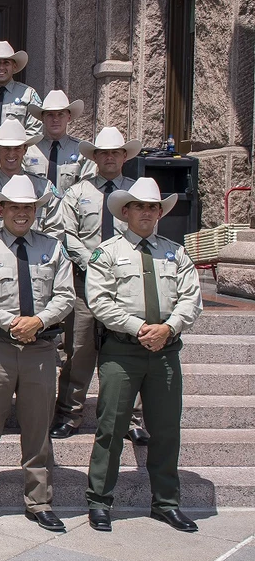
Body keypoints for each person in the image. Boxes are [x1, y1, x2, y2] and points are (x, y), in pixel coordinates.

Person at [85, 177, 203, 533]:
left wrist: (169, 328)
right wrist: (139, 328)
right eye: (141, 206)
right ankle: (100, 502)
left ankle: (166, 503)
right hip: (122, 353)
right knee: (111, 428)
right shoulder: (107, 253)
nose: (148, 212)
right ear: (126, 211)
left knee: (166, 431)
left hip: (165, 352)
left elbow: (191, 297)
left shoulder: (175, 252)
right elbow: (100, 301)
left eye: (154, 207)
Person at [0, 175, 74, 532]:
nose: (22, 214)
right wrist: (12, 322)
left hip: (40, 348)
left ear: (35, 211)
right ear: (2, 209)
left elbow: (66, 295)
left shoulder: (53, 248)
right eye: (15, 207)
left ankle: (39, 501)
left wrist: (39, 321)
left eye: (28, 208)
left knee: (37, 428)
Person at [52, 127, 144, 442]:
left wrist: (116, 265)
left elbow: (142, 235)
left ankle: (129, 419)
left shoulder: (136, 194)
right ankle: (69, 414)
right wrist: (94, 262)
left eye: (115, 153)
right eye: (103, 153)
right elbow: (67, 234)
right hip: (84, 283)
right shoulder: (77, 193)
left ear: (124, 157)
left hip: (124, 287)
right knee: (78, 351)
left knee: (125, 354)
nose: (109, 158)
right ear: (94, 158)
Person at [0, 119, 63, 237]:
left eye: (17, 148)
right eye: (6, 148)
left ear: (25, 149)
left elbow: (55, 231)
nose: (11, 154)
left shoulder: (44, 188)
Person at [27, 90, 92, 193]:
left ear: (68, 117)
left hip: (69, 208)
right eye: (50, 115)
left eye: (60, 114)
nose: (55, 119)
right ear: (42, 118)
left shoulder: (81, 152)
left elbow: (86, 189)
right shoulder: (29, 150)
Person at [0, 41, 42, 137]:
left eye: (6, 63)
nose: (1, 67)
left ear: (14, 67)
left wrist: (16, 149)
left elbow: (35, 131)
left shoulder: (28, 94)